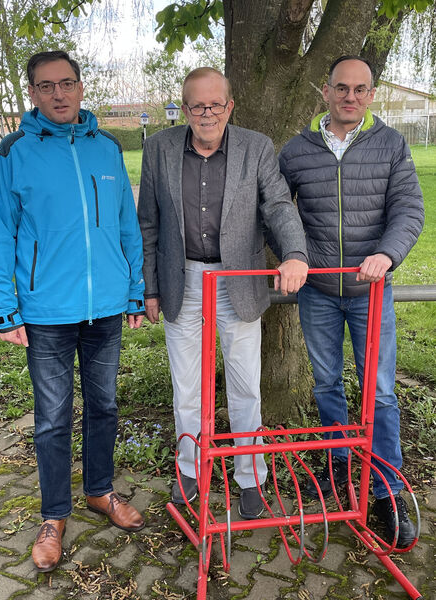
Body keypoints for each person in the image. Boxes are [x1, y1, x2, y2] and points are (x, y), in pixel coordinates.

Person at [0, 51, 146, 572]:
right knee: (53, 420)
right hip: (46, 312)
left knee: (104, 408)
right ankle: (53, 516)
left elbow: (127, 226)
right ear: (33, 93)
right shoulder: (13, 153)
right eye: (46, 86)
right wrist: (5, 309)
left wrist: (135, 291)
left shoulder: (107, 148)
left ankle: (100, 491)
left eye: (67, 84)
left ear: (81, 87)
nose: (58, 94)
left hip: (104, 310)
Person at [138, 67, 308, 519]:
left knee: (245, 385)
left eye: (216, 104)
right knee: (186, 387)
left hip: (239, 280)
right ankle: (190, 472)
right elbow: (148, 223)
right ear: (185, 107)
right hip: (183, 279)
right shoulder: (159, 148)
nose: (207, 113)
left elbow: (276, 205)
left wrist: (293, 253)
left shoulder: (255, 147)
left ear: (230, 106)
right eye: (198, 105)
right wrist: (149, 288)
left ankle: (250, 478)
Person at [278, 55, 424, 546]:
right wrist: (292, 255)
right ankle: (340, 466)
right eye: (342, 88)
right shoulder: (297, 150)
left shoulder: (390, 144)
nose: (351, 98)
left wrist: (387, 253)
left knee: (379, 390)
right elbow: (277, 211)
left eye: (361, 90)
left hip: (370, 291)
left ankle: (385, 485)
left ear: (371, 94)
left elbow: (409, 208)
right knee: (326, 385)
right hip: (318, 290)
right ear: (325, 90)